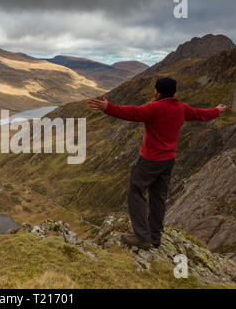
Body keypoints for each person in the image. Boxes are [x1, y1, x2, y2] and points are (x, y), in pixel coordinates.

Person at [89, 77, 227, 250]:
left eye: (155, 89)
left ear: (158, 91)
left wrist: (108, 108)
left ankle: (142, 238)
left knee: (135, 193)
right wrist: (216, 110)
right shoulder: (181, 108)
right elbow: (201, 114)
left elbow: (132, 113)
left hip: (149, 160)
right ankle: (155, 237)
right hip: (168, 161)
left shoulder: (154, 108)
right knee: (158, 197)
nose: (154, 92)